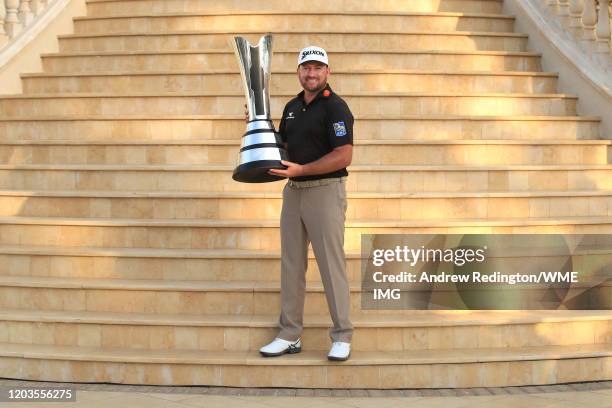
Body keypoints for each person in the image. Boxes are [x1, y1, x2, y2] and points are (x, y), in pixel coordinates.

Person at [254, 45, 355, 361]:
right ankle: (289, 334)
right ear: (299, 72)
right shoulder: (292, 106)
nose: (311, 73)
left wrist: (304, 169)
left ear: (327, 72)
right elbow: (283, 147)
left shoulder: (336, 108)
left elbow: (343, 155)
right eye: (306, 68)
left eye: (317, 68)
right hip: (294, 191)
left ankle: (341, 335)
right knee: (292, 265)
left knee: (331, 265)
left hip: (325, 191)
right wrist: (258, 125)